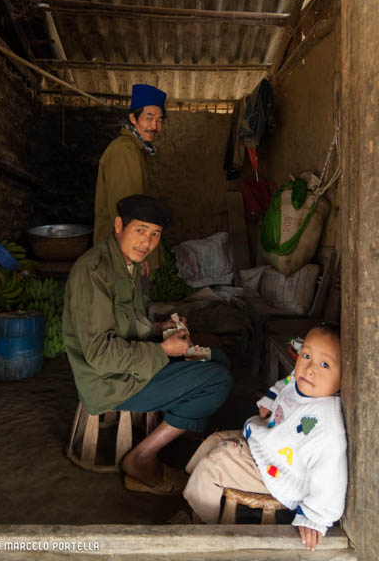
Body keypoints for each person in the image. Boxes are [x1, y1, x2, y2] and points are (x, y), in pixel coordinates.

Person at [63, 194, 232, 496]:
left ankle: (184, 422)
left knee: (214, 356)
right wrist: (163, 350)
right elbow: (100, 354)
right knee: (217, 379)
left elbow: (126, 322)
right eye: (140, 230)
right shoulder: (95, 272)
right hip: (113, 381)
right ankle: (141, 458)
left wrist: (159, 328)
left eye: (155, 234)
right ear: (119, 226)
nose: (147, 242)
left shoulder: (129, 265)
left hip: (137, 362)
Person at [183, 325, 347, 551]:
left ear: (345, 376)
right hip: (265, 448)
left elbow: (330, 479)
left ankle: (201, 526)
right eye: (306, 356)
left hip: (279, 473)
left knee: (214, 464)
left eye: (325, 364)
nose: (310, 368)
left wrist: (315, 517)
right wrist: (270, 401)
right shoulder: (303, 381)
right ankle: (191, 488)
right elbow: (286, 383)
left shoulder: (327, 426)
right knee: (213, 440)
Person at [93, 84, 167, 276]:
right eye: (149, 118)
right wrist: (136, 255)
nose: (154, 126)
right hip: (123, 254)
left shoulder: (134, 149)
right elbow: (126, 206)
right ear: (133, 118)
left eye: (159, 120)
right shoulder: (125, 150)